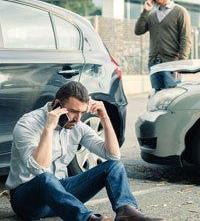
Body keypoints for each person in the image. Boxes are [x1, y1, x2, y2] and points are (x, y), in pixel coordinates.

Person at [5, 81, 163, 221]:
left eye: (82, 112)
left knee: (114, 166)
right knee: (45, 178)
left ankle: (126, 213)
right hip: (28, 201)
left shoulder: (76, 126)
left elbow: (113, 155)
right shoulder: (28, 123)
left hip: (60, 197)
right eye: (73, 111)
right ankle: (86, 218)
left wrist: (105, 117)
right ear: (56, 105)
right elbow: (38, 167)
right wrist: (49, 128)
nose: (78, 118)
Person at [135, 0, 191, 90]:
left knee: (173, 100)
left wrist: (180, 65)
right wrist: (145, 11)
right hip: (154, 65)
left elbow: (186, 39)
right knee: (157, 100)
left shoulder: (180, 12)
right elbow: (138, 30)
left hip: (172, 65)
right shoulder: (152, 15)